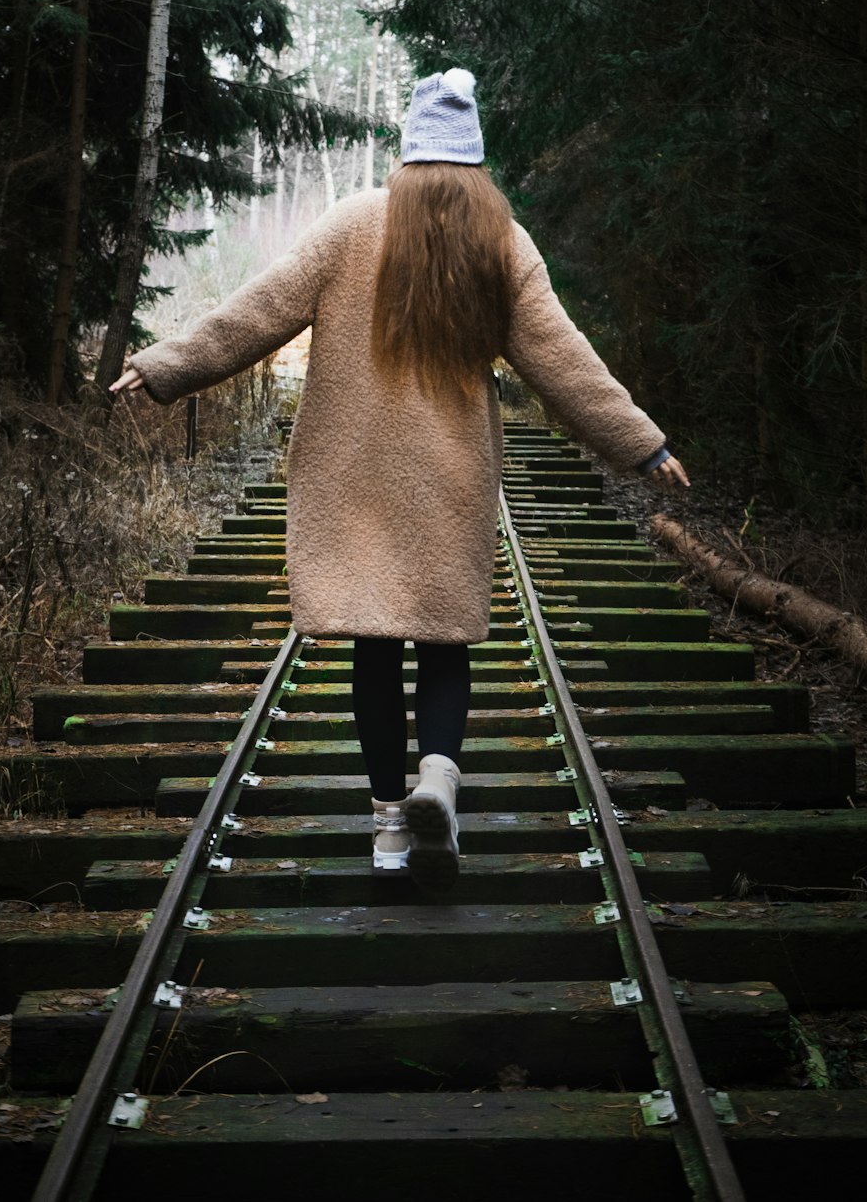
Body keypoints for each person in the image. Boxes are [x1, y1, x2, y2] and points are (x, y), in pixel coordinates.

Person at [110, 68, 689, 892]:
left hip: (354, 475)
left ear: (409, 153)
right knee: (445, 643)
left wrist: (165, 364)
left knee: (374, 651)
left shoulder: (352, 224)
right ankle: (440, 781)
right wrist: (642, 442)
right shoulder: (502, 241)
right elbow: (564, 361)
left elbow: (258, 310)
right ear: (474, 159)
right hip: (451, 477)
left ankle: (389, 826)